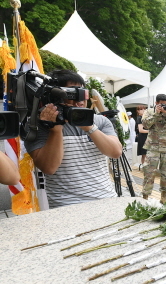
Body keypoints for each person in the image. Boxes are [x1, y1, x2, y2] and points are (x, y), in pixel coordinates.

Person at [24, 69, 122, 208]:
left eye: (83, 93)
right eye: (71, 93)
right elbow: (49, 168)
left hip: (106, 199)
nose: (79, 99)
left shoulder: (100, 121)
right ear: (54, 96)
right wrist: (56, 130)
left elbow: (116, 152)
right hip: (66, 206)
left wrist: (89, 127)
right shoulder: (38, 126)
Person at [141, 94, 166, 203]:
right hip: (153, 148)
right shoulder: (149, 112)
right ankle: (145, 196)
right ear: (156, 103)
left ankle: (164, 196)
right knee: (149, 173)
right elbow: (145, 125)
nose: (163, 106)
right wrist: (156, 114)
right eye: (161, 104)